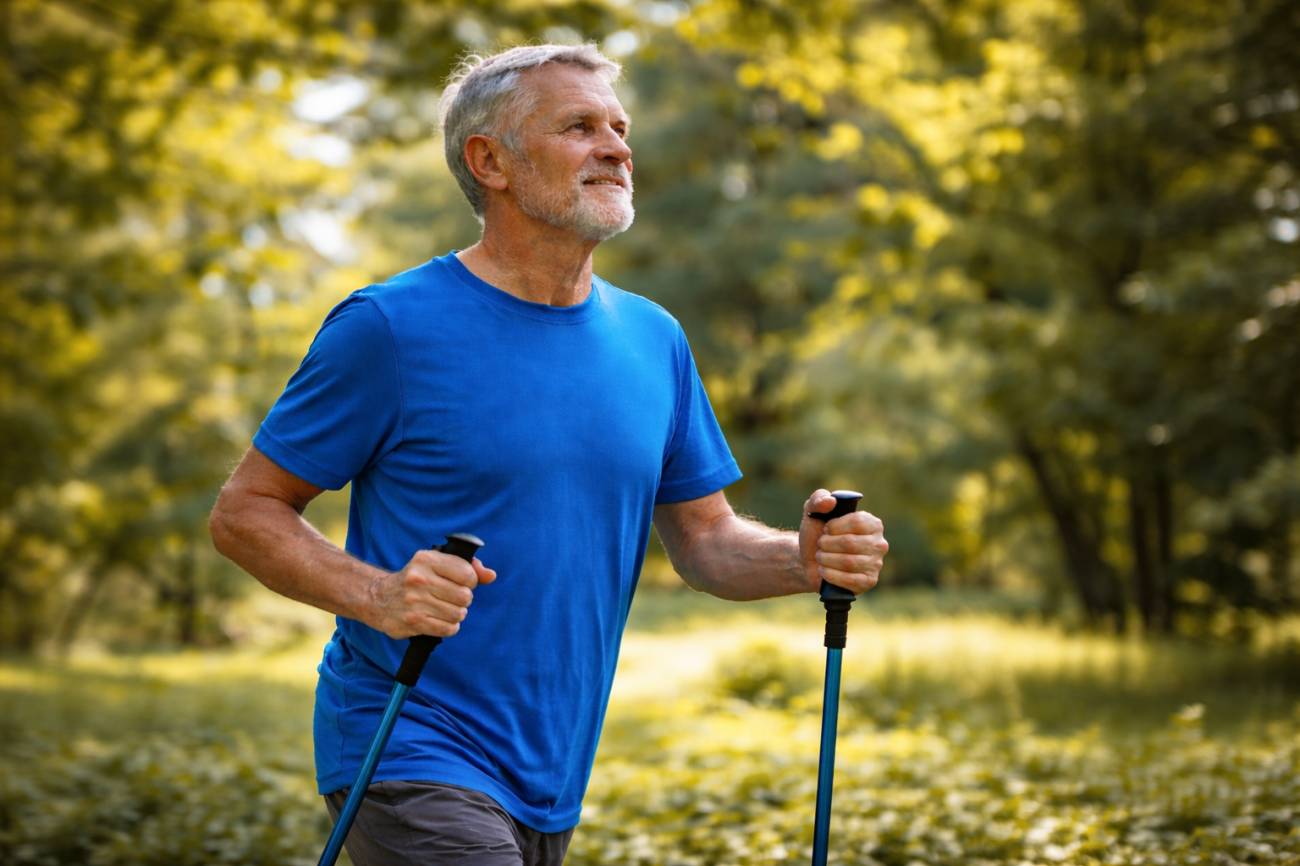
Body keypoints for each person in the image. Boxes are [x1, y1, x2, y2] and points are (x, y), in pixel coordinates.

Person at [209, 43, 887, 866]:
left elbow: (706, 544)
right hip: (407, 743)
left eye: (619, 127)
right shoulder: (389, 328)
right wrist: (381, 596)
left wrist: (803, 557)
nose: (616, 147)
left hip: (553, 771)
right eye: (579, 126)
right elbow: (246, 511)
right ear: (489, 161)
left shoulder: (654, 339)